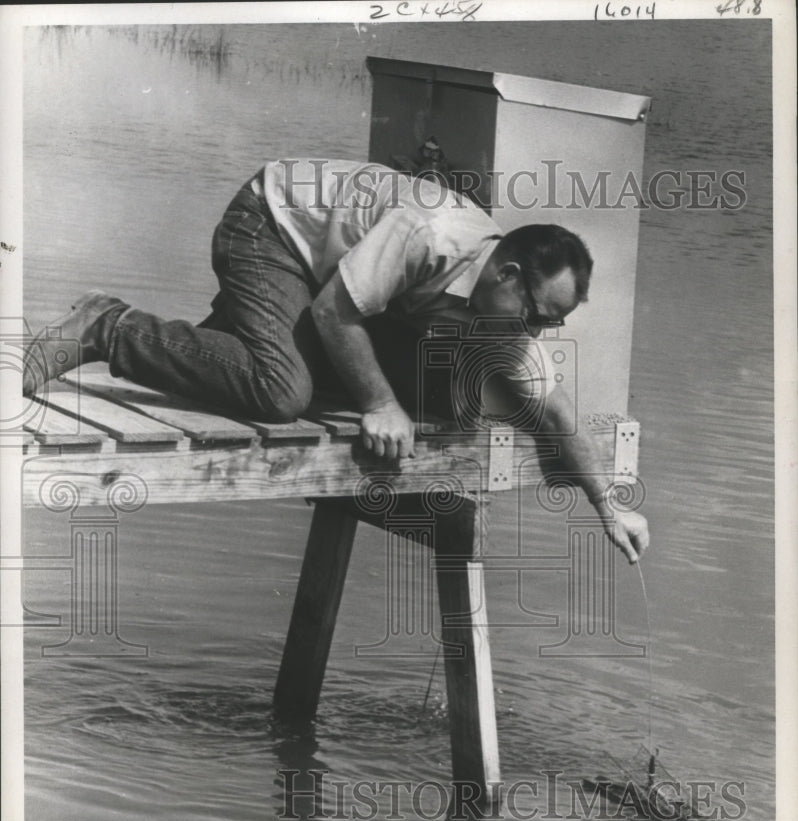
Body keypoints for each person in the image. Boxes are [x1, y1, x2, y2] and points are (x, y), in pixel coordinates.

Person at [23, 158, 649, 562]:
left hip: (330, 275)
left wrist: (607, 506)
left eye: (554, 323)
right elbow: (332, 314)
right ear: (507, 275)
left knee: (439, 396)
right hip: (271, 226)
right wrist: (379, 403)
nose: (540, 331)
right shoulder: (429, 234)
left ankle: (243, 343)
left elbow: (555, 408)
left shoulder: (504, 313)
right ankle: (107, 325)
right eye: (538, 314)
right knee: (280, 394)